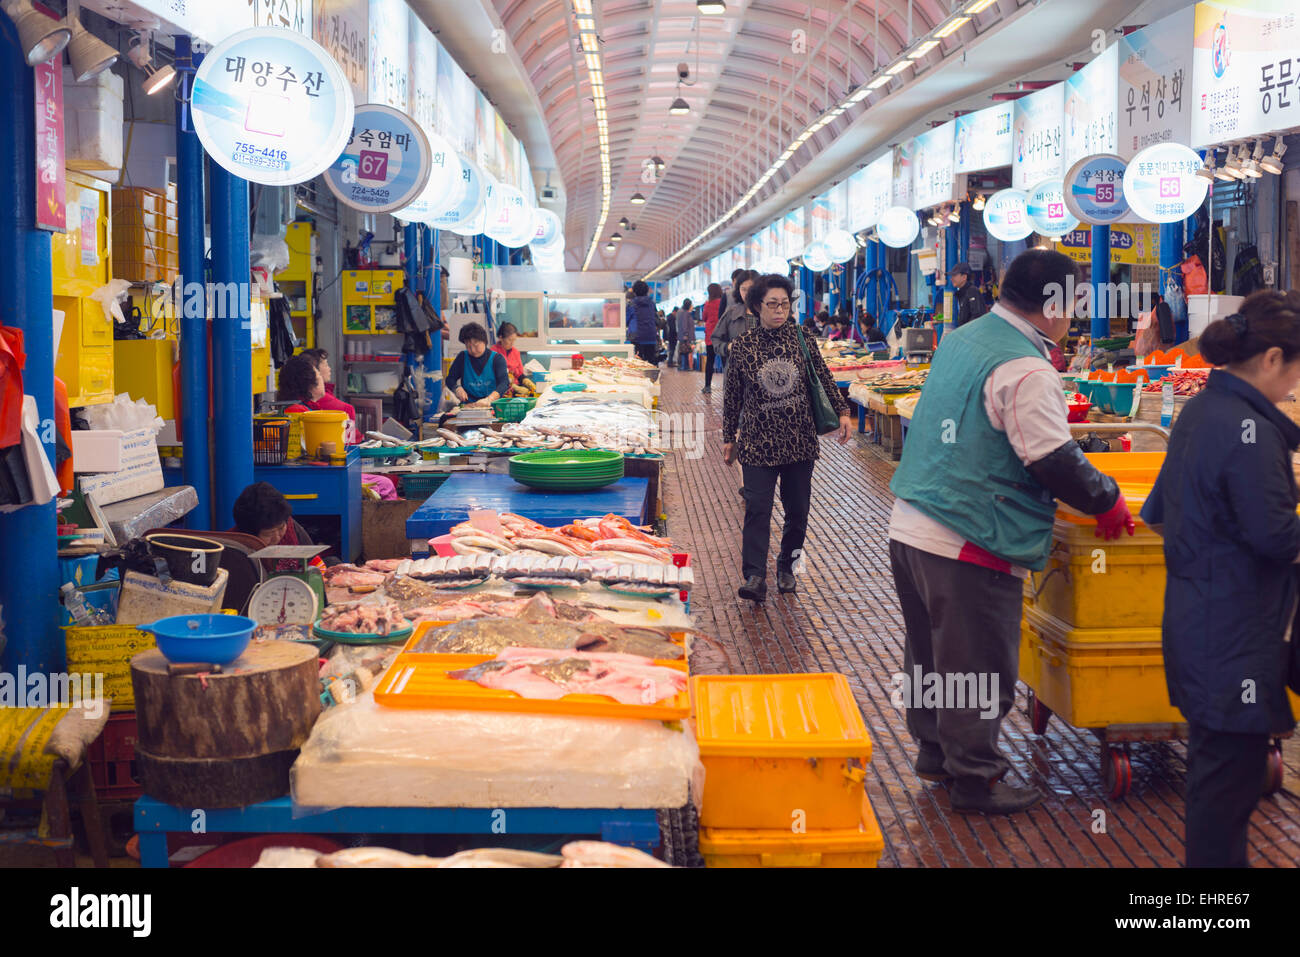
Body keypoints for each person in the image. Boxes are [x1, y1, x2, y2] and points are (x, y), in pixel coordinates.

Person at [888, 249, 1134, 815]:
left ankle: (936, 755)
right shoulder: (1026, 368)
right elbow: (1051, 458)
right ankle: (975, 778)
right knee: (976, 662)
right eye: (1073, 303)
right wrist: (1107, 500)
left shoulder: (964, 337)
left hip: (912, 524)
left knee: (929, 655)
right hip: (968, 533)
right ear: (1053, 304)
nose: (1073, 315)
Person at [1141, 291, 1300, 867]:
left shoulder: (1204, 411)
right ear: (1273, 358)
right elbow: (1276, 537)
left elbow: (1159, 511)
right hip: (1235, 638)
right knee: (1224, 793)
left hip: (1201, 624)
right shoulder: (1249, 429)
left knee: (1220, 784)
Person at [722, 274, 852, 603]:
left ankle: (787, 567)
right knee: (757, 511)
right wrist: (728, 437)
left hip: (799, 442)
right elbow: (732, 396)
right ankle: (754, 576)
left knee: (798, 511)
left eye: (785, 304)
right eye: (772, 304)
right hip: (757, 443)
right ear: (756, 307)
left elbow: (821, 376)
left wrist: (844, 412)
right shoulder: (742, 347)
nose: (780, 310)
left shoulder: (802, 337)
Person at [231, 481, 326, 572]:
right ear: (249, 534)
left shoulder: (290, 526)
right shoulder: (234, 548)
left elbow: (315, 563)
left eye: (281, 528)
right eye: (269, 534)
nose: (277, 537)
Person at [446, 322, 509, 406]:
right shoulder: (462, 357)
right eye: (468, 346)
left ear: (484, 341)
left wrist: (489, 399)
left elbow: (504, 383)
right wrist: (457, 388)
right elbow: (450, 379)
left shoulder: (497, 359)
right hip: (468, 405)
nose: (473, 350)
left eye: (476, 345)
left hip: (492, 405)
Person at [710, 269, 758, 362]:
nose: (747, 294)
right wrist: (728, 347)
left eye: (751, 289)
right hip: (735, 371)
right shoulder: (731, 313)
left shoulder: (767, 313)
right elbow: (715, 339)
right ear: (738, 290)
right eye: (743, 289)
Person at [299, 348, 355, 415]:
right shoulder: (318, 396)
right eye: (326, 365)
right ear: (313, 370)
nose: (329, 368)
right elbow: (348, 410)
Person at [491, 322, 536, 395]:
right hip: (499, 391)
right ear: (500, 337)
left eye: (514, 340)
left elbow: (519, 374)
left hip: (516, 390)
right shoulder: (493, 353)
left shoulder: (515, 352)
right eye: (509, 340)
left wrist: (526, 381)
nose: (512, 343)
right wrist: (513, 387)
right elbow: (495, 377)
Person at [626, 282, 660, 365]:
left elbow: (626, 320)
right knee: (651, 363)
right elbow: (656, 320)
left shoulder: (631, 304)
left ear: (634, 291)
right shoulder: (652, 304)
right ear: (647, 290)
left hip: (637, 337)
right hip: (651, 337)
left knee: (637, 364)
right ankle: (652, 377)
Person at [702, 283, 724, 394]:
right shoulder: (723, 302)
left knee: (710, 361)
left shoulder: (708, 304)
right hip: (723, 335)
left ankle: (707, 386)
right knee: (725, 362)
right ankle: (727, 386)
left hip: (711, 335)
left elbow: (704, 317)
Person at [951, 262, 984, 328]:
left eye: (954, 275)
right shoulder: (961, 293)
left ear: (964, 277)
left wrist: (965, 332)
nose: (951, 279)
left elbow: (977, 316)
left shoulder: (972, 291)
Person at [676, 298, 696, 371]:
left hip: (683, 335)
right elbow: (685, 325)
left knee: (684, 351)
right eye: (691, 305)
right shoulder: (685, 313)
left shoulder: (681, 312)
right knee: (685, 351)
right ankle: (684, 367)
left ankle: (683, 366)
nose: (692, 306)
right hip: (685, 336)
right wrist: (686, 334)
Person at [665, 302, 679, 366]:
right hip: (672, 336)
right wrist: (676, 334)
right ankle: (670, 362)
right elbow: (673, 328)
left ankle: (670, 361)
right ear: (675, 312)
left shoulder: (669, 317)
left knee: (671, 349)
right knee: (672, 349)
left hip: (670, 336)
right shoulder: (671, 318)